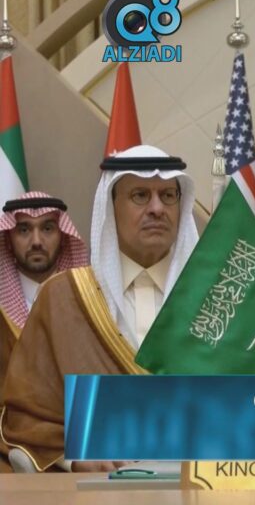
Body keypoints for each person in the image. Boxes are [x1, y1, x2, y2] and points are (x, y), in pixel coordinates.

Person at [0, 145, 199, 472]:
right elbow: (25, 421)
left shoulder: (214, 301)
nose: (156, 209)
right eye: (140, 195)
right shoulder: (63, 298)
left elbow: (251, 406)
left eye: (167, 196)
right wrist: (73, 457)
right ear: (110, 206)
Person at [0, 192, 88, 436]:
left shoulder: (89, 300)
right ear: (8, 239)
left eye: (47, 228)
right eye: (24, 230)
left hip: (76, 434)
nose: (37, 241)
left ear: (63, 237)